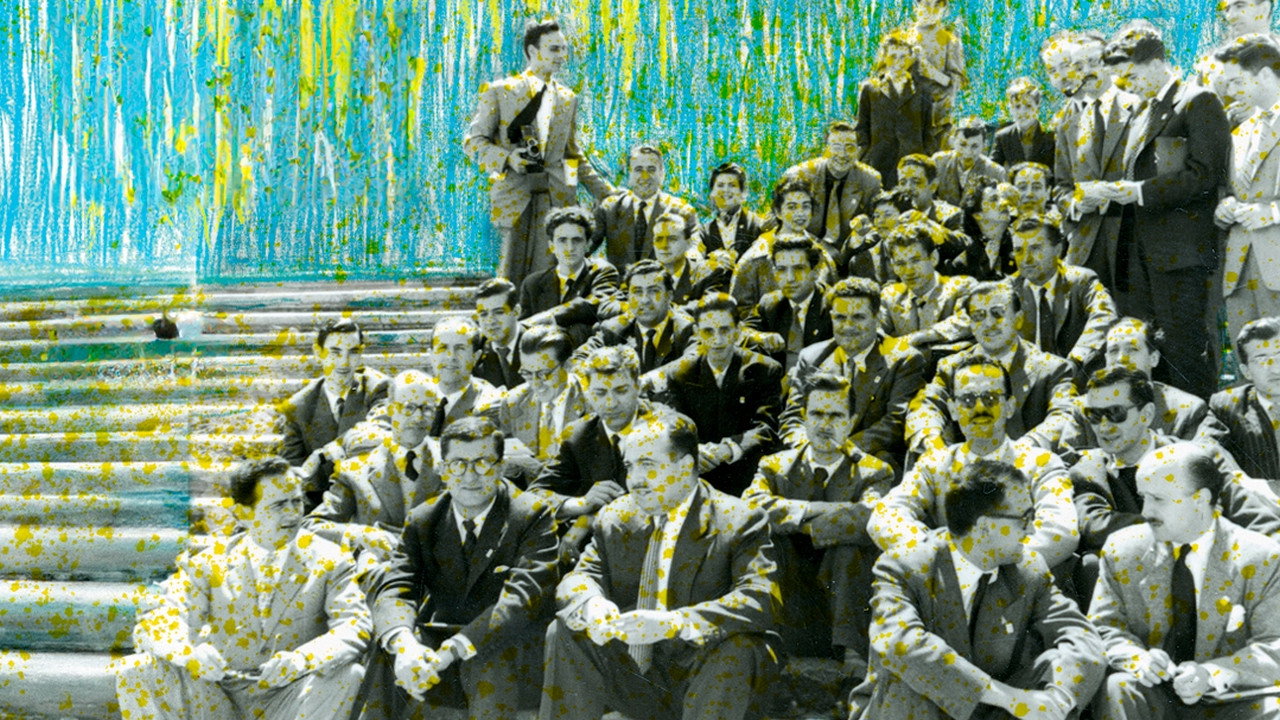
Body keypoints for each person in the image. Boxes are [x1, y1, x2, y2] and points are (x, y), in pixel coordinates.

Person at [539, 411, 780, 720]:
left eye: (648, 465)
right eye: (630, 466)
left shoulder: (738, 519)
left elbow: (761, 598)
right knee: (565, 627)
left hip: (705, 675)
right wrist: (592, 602)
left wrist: (675, 622)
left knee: (739, 647)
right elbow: (580, 577)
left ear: (686, 466)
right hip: (637, 676)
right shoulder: (616, 516)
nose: (635, 480)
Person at [849, 459, 1106, 720]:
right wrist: (1009, 698)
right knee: (910, 677)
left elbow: (1083, 637)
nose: (1031, 529)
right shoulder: (904, 566)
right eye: (1024, 518)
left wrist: (1057, 701)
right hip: (910, 710)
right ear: (984, 527)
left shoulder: (1028, 569)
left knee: (1054, 663)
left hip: (986, 712)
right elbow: (901, 645)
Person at [115, 459, 369, 720]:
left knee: (348, 675)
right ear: (243, 513)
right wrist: (188, 653)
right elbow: (157, 620)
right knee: (136, 669)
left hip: (291, 697)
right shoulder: (209, 561)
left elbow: (355, 625)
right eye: (279, 505)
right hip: (218, 696)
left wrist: (303, 659)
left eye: (296, 501)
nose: (293, 514)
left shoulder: (330, 558)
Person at [359, 417, 560, 720]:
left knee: (489, 658)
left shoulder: (530, 514)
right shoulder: (424, 519)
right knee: (389, 649)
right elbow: (396, 588)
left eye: (483, 463)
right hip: (443, 649)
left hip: (508, 649)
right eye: (458, 464)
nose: (470, 476)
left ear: (501, 467)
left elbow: (520, 600)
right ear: (443, 470)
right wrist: (404, 645)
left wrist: (455, 648)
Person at [1089, 442, 1280, 720]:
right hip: (1155, 693)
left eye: (1158, 499)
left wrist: (1212, 674)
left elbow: (1274, 645)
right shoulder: (1123, 550)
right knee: (1118, 688)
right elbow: (1103, 627)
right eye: (1143, 498)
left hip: (1226, 698)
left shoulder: (1261, 557)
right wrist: (1138, 659)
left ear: (1200, 499)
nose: (1145, 512)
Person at [1098, 22, 1230, 399]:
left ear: (1156, 63)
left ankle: (1198, 425)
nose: (1127, 85)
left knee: (1184, 351)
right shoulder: (1142, 112)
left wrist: (1140, 192)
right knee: (1150, 353)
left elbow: (1204, 173)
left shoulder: (1197, 101)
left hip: (1180, 255)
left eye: (1131, 76)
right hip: (1141, 257)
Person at [743, 372, 895, 676]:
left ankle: (852, 655)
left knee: (851, 547)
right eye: (817, 414)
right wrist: (812, 512)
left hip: (842, 600)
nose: (825, 425)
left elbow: (868, 518)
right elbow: (750, 509)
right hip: (790, 596)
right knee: (769, 542)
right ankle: (767, 648)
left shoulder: (874, 472)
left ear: (851, 422)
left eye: (835, 416)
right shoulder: (774, 466)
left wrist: (804, 525)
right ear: (804, 417)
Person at [873, 357, 1080, 573]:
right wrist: (941, 557)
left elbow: (1061, 532)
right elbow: (885, 516)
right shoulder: (936, 464)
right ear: (953, 410)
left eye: (991, 398)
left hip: (1016, 581)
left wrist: (990, 565)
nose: (980, 408)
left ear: (1009, 406)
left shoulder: (1041, 463)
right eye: (968, 400)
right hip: (951, 583)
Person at [462, 19, 613, 288]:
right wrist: (507, 159)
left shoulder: (568, 98)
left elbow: (572, 155)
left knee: (549, 281)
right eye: (554, 49)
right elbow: (474, 142)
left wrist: (607, 193)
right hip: (515, 199)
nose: (562, 56)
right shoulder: (500, 91)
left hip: (556, 201)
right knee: (509, 279)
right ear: (532, 51)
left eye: (564, 49)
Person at [906, 280, 1076, 455]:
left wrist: (1026, 446)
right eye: (978, 316)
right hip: (968, 464)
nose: (988, 323)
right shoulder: (952, 367)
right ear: (971, 325)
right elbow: (925, 406)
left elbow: (1064, 415)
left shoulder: (1052, 368)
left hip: (1028, 461)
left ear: (1018, 320)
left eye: (998, 314)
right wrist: (932, 441)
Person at [780, 276, 926, 468]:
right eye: (840, 317)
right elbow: (793, 417)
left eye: (858, 317)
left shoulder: (904, 359)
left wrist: (840, 451)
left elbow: (895, 423)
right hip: (813, 458)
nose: (848, 326)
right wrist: (807, 448)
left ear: (877, 318)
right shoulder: (812, 357)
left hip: (868, 459)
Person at [649, 293, 784, 496]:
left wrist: (729, 449)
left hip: (748, 477)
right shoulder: (680, 373)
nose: (717, 340)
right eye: (708, 331)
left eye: (725, 330)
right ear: (697, 333)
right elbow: (675, 427)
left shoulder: (765, 370)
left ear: (738, 331)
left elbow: (767, 429)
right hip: (697, 476)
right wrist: (695, 451)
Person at [305, 370, 443, 562]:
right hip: (380, 571)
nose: (418, 417)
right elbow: (313, 526)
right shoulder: (355, 470)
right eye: (408, 407)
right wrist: (359, 534)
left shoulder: (455, 460)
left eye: (427, 408)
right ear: (390, 409)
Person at [528, 346, 655, 553]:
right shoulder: (578, 434)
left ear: (638, 387)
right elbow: (534, 497)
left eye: (621, 390)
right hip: (597, 550)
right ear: (587, 393)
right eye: (600, 393)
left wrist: (586, 521)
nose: (611, 403)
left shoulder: (666, 428)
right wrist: (581, 504)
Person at [1048, 30, 1138, 284]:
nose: (1086, 71)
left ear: (1109, 65)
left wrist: (1113, 194)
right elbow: (1062, 186)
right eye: (1078, 66)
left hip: (1131, 244)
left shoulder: (1139, 107)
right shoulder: (1068, 122)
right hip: (1085, 248)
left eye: (1093, 62)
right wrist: (1075, 205)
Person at [279, 319, 390, 510]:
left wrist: (322, 454)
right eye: (335, 352)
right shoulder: (298, 407)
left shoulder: (378, 388)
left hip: (374, 501)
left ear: (361, 353)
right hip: (321, 506)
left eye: (353, 352)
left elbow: (377, 428)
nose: (344, 363)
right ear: (318, 352)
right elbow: (295, 473)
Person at [1056, 317, 1208, 456]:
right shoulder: (1083, 408)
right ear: (1106, 359)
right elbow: (1068, 460)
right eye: (1114, 351)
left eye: (1132, 349)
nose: (1121, 358)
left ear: (1154, 358)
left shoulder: (1186, 410)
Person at [1214, 35, 1280, 342]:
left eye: (1237, 81)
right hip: (1239, 270)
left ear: (1265, 75)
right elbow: (1232, 190)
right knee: (1246, 361)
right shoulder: (1240, 133)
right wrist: (1224, 205)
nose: (1230, 91)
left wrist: (1273, 212)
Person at [1008, 215, 1117, 375]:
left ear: (1058, 250)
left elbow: (1105, 315)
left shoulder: (1082, 280)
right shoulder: (1008, 289)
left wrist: (1076, 359)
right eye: (1019, 250)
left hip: (1076, 376)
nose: (1026, 259)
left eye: (1035, 248)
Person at [730, 179, 837, 315]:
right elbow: (738, 311)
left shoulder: (822, 255)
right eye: (792, 207)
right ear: (778, 212)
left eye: (805, 206)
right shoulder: (756, 258)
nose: (800, 213)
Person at [519, 206, 620, 347]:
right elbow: (523, 329)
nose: (570, 248)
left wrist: (548, 317)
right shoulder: (533, 283)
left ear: (587, 244)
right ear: (551, 246)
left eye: (577, 240)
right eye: (562, 240)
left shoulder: (602, 272)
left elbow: (593, 305)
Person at [497, 325, 587, 481]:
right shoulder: (513, 402)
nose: (536, 384)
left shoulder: (593, 400)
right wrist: (511, 470)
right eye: (527, 373)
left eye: (544, 374)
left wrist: (540, 470)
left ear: (568, 365)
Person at [591, 144, 701, 271]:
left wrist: (691, 259)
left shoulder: (682, 211)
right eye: (638, 169)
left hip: (664, 281)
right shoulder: (610, 208)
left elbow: (695, 248)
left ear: (662, 173)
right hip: (619, 283)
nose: (645, 176)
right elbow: (585, 245)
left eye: (651, 169)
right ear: (629, 174)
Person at [1197, 316, 1280, 483]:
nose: (1276, 368)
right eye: (1262, 360)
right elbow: (1205, 448)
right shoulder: (1227, 406)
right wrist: (1244, 483)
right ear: (1246, 371)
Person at [781, 121, 883, 252]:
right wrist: (820, 248)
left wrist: (857, 241)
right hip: (804, 247)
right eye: (836, 147)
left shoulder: (870, 180)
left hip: (848, 252)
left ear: (858, 151)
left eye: (850, 147)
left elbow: (877, 225)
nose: (842, 154)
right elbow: (780, 221)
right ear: (826, 150)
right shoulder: (800, 175)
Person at [581, 260, 695, 374]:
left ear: (669, 296)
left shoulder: (687, 329)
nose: (644, 300)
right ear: (628, 297)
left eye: (654, 291)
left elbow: (692, 361)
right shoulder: (614, 328)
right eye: (637, 292)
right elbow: (581, 357)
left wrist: (649, 380)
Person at [878, 219, 975, 351]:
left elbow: (969, 320)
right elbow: (872, 331)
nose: (909, 271)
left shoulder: (961, 286)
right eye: (900, 264)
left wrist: (917, 338)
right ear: (893, 266)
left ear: (933, 258)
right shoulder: (890, 296)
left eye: (916, 261)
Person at [857, 30, 935, 187]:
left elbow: (928, 131)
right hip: (879, 163)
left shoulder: (922, 90)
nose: (898, 62)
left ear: (910, 58)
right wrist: (866, 157)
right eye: (893, 56)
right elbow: (862, 128)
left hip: (912, 165)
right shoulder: (870, 89)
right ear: (885, 57)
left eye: (903, 57)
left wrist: (926, 156)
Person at [742, 236, 834, 369]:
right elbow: (742, 331)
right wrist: (759, 337)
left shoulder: (833, 304)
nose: (790, 278)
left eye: (799, 268)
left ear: (816, 271)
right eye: (781, 269)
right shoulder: (770, 304)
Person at [902, 0, 967, 151]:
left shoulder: (950, 41)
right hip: (907, 118)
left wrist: (933, 74)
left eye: (937, 5)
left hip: (938, 120)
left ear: (944, 8)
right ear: (916, 5)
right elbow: (885, 79)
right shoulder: (903, 39)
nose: (931, 10)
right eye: (926, 4)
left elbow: (958, 82)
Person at [421, 316, 503, 435]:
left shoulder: (490, 404)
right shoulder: (416, 395)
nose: (450, 356)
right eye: (443, 347)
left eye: (460, 348)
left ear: (475, 357)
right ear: (431, 355)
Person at [648, 210, 731, 315]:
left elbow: (709, 308)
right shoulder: (644, 275)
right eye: (659, 239)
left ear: (688, 243)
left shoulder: (709, 273)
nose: (664, 245)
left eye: (672, 239)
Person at [931, 116, 1007, 206]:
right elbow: (928, 198)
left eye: (974, 146)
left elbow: (999, 206)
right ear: (952, 142)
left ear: (984, 145)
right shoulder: (939, 161)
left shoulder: (996, 172)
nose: (968, 152)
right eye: (962, 145)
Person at [952, 175, 1016, 280]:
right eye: (994, 199)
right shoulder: (963, 262)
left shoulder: (1021, 241)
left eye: (1002, 198)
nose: (1005, 203)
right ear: (978, 214)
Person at [701, 162, 766, 260]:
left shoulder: (757, 224)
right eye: (720, 185)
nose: (726, 190)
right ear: (712, 193)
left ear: (742, 192)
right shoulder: (704, 231)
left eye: (732, 185)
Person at [991, 76, 1057, 170]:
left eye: (1028, 106)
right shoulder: (1002, 137)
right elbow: (992, 170)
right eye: (1017, 106)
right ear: (1010, 109)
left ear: (1037, 107)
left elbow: (1060, 171)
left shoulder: (1051, 136)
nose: (1022, 112)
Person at [472, 278, 526, 390]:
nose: (490, 321)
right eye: (483, 314)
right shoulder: (476, 352)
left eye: (498, 312)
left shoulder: (539, 344)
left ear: (516, 312)